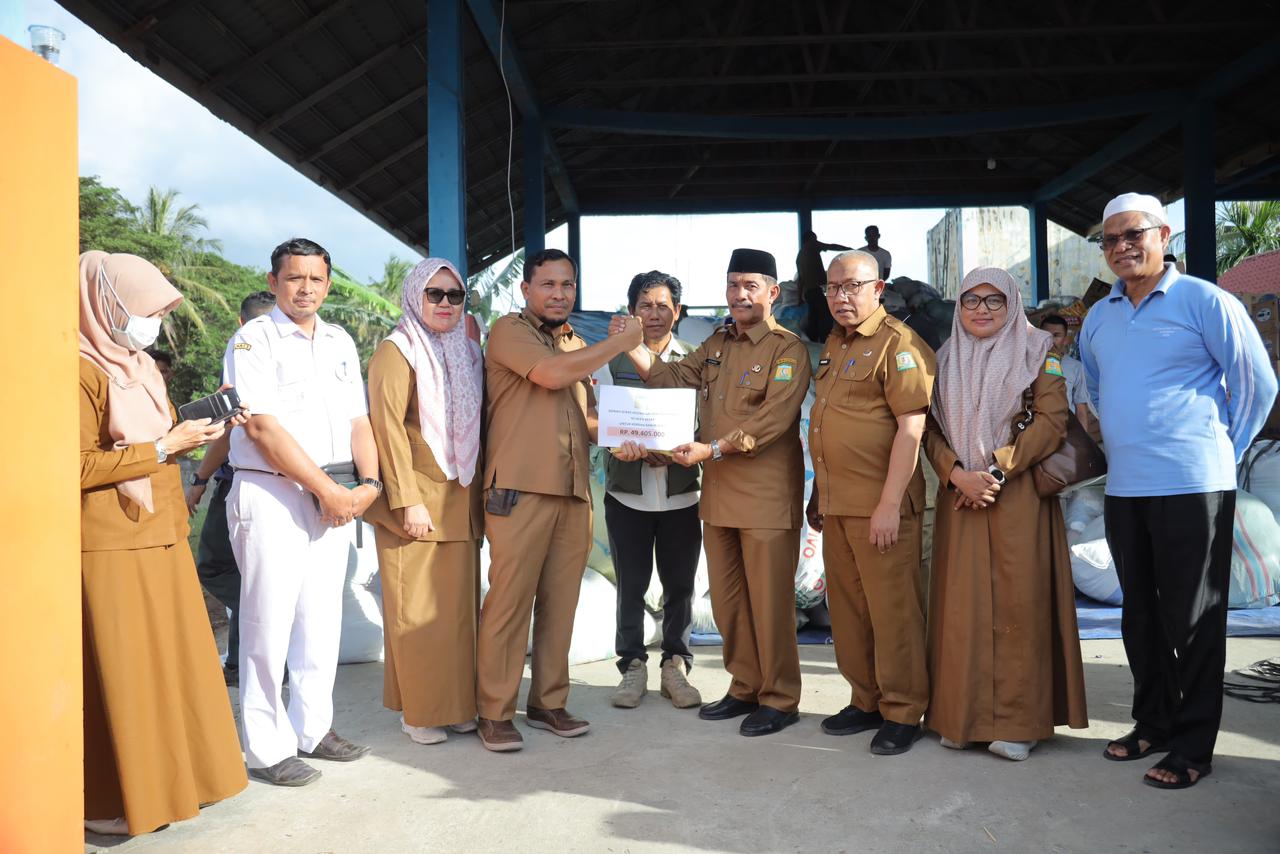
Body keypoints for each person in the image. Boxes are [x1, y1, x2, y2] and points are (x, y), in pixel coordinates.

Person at [1079, 193, 1277, 789]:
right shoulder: (1100, 316)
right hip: (1125, 487)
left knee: (1193, 617)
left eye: (1133, 234)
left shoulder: (1204, 300)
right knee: (1139, 613)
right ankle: (1153, 723)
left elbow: (1257, 383)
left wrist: (1221, 450)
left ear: (1163, 235)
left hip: (1194, 485)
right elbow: (1093, 386)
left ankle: (1192, 746)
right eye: (1110, 239)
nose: (1121, 247)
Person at [78, 251, 247, 835]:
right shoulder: (78, 370)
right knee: (129, 674)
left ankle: (179, 785)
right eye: (144, 313)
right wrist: (163, 447)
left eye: (159, 315)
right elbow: (74, 465)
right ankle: (115, 800)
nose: (153, 326)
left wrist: (195, 434)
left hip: (162, 531)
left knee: (174, 668)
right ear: (104, 305)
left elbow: (158, 443)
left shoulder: (141, 368)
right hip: (112, 543)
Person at [613, 248, 811, 737]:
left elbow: (773, 420)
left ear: (773, 292)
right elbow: (670, 378)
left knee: (769, 603)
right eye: (732, 284)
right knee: (728, 603)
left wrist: (713, 448)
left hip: (764, 498)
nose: (739, 294)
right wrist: (631, 344)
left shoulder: (787, 349)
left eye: (750, 286)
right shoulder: (717, 343)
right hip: (719, 496)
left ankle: (779, 698)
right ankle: (745, 687)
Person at [224, 238, 381, 786]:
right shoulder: (253, 340)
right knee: (267, 624)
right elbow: (262, 429)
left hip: (335, 493)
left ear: (328, 284)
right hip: (272, 493)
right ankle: (266, 749)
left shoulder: (339, 341)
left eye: (316, 279)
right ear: (274, 283)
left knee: (320, 619)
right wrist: (329, 492)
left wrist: (369, 484)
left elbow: (359, 421)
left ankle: (312, 729)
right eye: (294, 278)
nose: (305, 288)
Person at [476, 248, 643, 752]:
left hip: (572, 490)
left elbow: (586, 417)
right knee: (509, 605)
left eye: (567, 285)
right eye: (547, 284)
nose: (559, 294)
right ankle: (494, 711)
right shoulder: (509, 331)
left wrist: (620, 436)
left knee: (561, 604)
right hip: (519, 489)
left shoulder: (574, 342)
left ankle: (548, 702)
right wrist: (619, 344)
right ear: (526, 289)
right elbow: (549, 375)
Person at [923, 266, 1088, 762]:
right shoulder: (944, 359)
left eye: (994, 300)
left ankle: (1019, 722)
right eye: (971, 299)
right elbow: (929, 430)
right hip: (961, 497)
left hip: (1016, 496)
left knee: (1019, 606)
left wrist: (996, 470)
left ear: (1012, 304)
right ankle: (962, 717)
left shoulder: (1039, 351)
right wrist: (957, 474)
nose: (981, 309)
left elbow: (1051, 422)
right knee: (962, 609)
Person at [805, 250, 935, 755]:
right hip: (837, 505)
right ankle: (866, 700)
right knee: (850, 613)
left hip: (881, 508)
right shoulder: (834, 343)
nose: (841, 296)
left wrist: (889, 505)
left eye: (852, 286)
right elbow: (827, 424)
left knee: (892, 613)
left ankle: (902, 710)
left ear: (878, 290)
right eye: (832, 287)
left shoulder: (900, 345)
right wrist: (819, 494)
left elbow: (911, 429)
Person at [365, 258, 484, 745]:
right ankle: (419, 712)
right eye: (435, 294)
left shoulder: (467, 351)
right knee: (414, 614)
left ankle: (454, 706)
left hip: (460, 499)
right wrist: (407, 500)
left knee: (456, 616)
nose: (445, 303)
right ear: (416, 296)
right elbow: (387, 428)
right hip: (416, 502)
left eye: (455, 295)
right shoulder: (397, 350)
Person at [593, 270, 703, 710]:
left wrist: (681, 449)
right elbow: (597, 416)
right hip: (628, 495)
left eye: (663, 306)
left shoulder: (694, 360)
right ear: (631, 312)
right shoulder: (611, 359)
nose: (654, 314)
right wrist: (617, 445)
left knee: (681, 586)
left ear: (678, 312)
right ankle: (632, 666)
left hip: (682, 495)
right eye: (645, 305)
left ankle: (675, 665)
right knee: (631, 585)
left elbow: (706, 420)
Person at [185, 290, 277, 684]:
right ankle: (246, 659)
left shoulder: (242, 351)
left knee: (218, 567)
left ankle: (264, 630)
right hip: (288, 484)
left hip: (239, 481)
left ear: (241, 323)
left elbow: (227, 434)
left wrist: (199, 480)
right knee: (253, 573)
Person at [796, 230, 852, 343]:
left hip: (809, 292)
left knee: (813, 319)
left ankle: (812, 344)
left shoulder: (800, 256)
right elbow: (831, 246)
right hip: (818, 289)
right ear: (811, 239)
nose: (817, 241)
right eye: (815, 239)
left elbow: (800, 280)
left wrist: (799, 298)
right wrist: (850, 250)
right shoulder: (811, 245)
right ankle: (826, 343)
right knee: (825, 317)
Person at [1038, 314, 1090, 429]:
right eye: (1046, 335)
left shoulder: (1076, 367)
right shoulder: (1028, 364)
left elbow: (1081, 410)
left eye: (1056, 335)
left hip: (1065, 430)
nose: (1050, 340)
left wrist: (1082, 438)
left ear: (1066, 340)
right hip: (1036, 431)